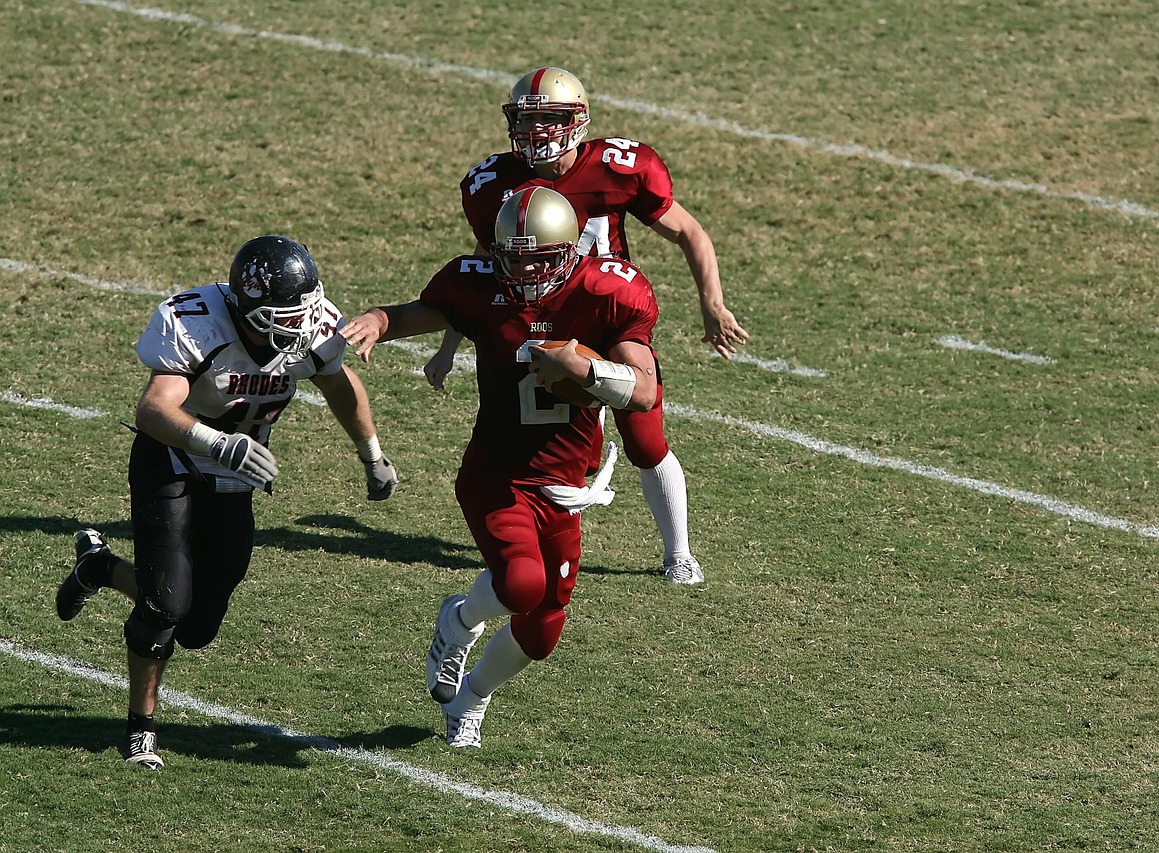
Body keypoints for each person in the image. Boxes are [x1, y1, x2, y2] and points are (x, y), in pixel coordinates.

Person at [55, 235, 398, 771]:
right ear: (249, 307)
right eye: (286, 312)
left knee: (196, 626)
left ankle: (98, 566)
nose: (302, 322)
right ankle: (139, 730)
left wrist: (371, 453)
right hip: (173, 458)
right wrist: (220, 444)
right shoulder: (195, 321)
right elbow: (152, 410)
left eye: (305, 306)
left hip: (239, 473)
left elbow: (338, 382)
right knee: (166, 605)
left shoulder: (312, 325)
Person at [341, 187, 659, 748]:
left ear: (570, 252)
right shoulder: (481, 282)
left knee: (542, 632)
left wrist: (582, 368)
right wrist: (378, 319)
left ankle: (472, 697)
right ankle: (459, 620)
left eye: (537, 259)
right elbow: (429, 311)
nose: (522, 271)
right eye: (512, 257)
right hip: (498, 473)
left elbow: (644, 389)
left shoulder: (607, 290)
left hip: (563, 481)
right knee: (521, 583)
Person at [426, 65, 749, 585]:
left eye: (550, 119)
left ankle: (679, 552)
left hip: (607, 313)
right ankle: (540, 546)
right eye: (526, 121)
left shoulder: (620, 168)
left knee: (645, 437)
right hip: (535, 319)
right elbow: (487, 271)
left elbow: (689, 230)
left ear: (577, 120)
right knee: (540, 436)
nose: (536, 134)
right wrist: (451, 342)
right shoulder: (491, 186)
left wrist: (712, 303)